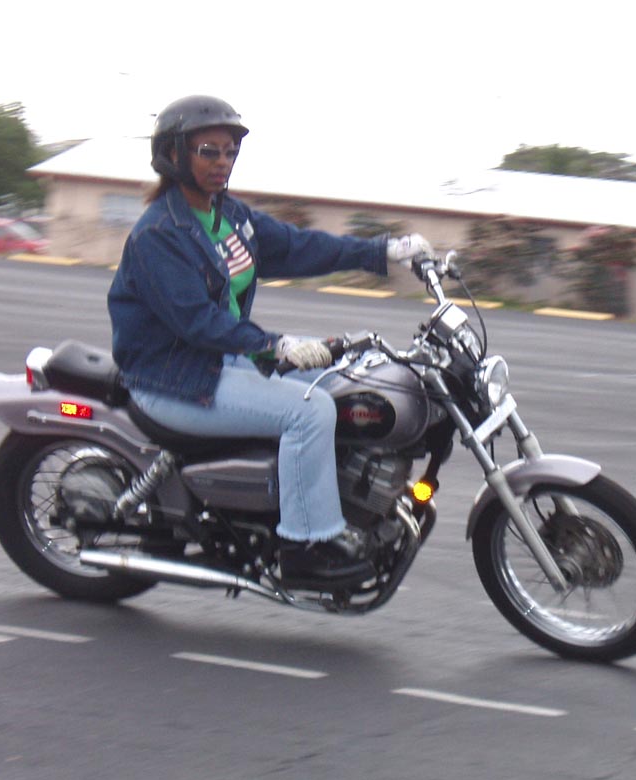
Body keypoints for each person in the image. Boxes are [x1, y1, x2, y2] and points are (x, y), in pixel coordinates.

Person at [107, 95, 431, 586]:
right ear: (173, 154)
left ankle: (336, 505)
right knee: (308, 412)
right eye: (208, 151)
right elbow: (197, 322)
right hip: (175, 378)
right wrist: (274, 346)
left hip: (220, 360)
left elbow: (297, 247)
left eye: (230, 151)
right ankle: (305, 546)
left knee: (341, 382)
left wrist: (381, 252)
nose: (222, 162)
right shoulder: (160, 234)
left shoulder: (227, 216)